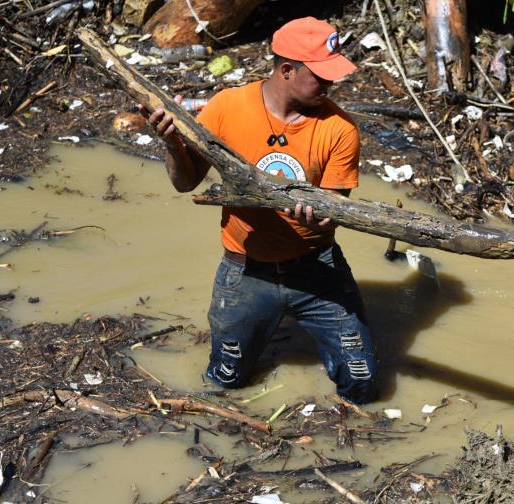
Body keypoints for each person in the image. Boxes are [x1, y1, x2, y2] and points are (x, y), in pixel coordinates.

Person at [144, 17, 377, 404]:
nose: (330, 85)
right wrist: (172, 147)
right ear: (287, 70)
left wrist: (323, 215)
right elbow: (185, 183)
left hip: (316, 266)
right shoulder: (226, 108)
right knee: (226, 381)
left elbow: (335, 206)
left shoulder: (340, 129)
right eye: (321, 76)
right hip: (246, 268)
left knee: (363, 383)